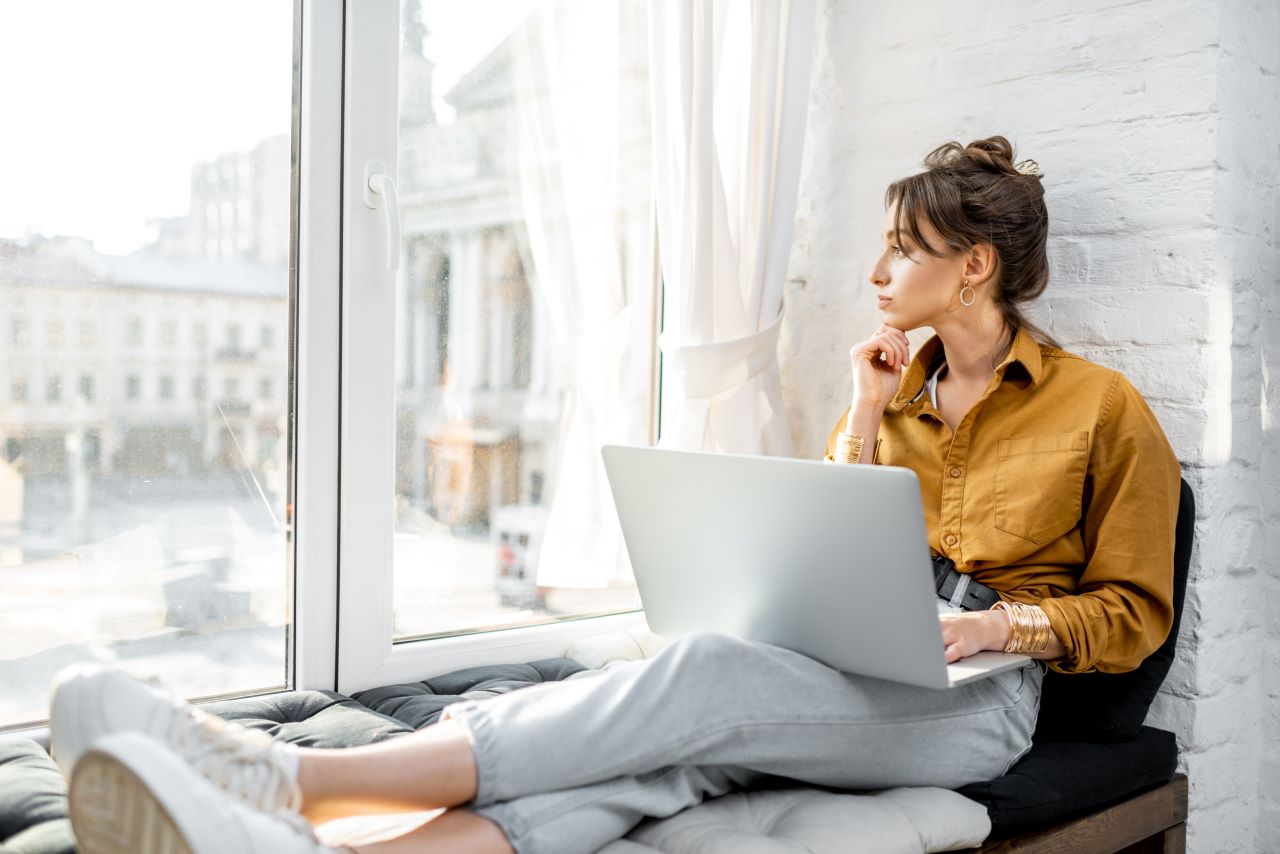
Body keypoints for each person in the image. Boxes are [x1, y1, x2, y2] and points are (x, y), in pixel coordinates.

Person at [54, 136, 1181, 854]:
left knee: (694, 676)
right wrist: (863, 412)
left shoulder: (1100, 408)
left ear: (972, 264)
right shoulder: (893, 386)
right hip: (863, 667)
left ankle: (293, 783)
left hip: (978, 703)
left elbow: (1133, 616)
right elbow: (852, 549)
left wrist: (988, 621)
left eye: (898, 250)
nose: (875, 274)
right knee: (664, 753)